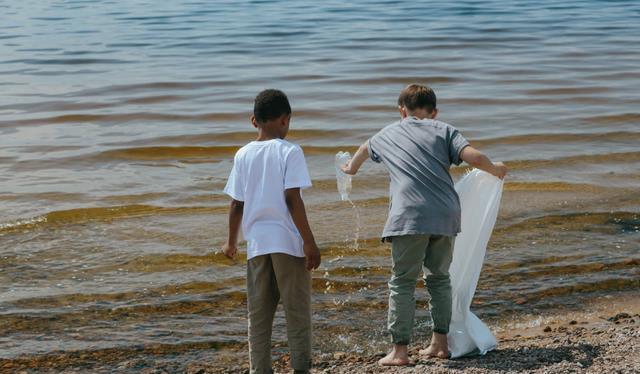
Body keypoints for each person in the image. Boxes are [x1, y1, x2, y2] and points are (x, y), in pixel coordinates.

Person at [341, 84, 506, 366]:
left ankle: (400, 352)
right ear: (434, 112)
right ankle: (440, 345)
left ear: (401, 111)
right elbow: (473, 157)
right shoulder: (444, 130)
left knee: (402, 282)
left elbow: (364, 149)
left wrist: (350, 169)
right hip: (445, 215)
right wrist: (496, 170)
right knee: (439, 279)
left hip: (408, 217)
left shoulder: (388, 132)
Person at [222, 89, 321, 374]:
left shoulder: (242, 154)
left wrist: (231, 243)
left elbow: (235, 204)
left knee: (259, 316)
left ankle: (260, 369)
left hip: (256, 245)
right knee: (297, 312)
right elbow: (293, 199)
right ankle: (301, 368)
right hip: (288, 244)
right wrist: (310, 242)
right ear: (285, 119)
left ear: (254, 121)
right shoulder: (290, 151)